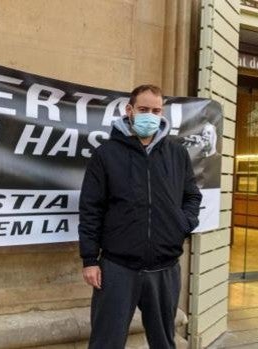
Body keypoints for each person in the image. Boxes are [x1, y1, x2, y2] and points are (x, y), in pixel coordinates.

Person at [78, 84, 202, 348]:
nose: (150, 116)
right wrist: (90, 259)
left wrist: (183, 224)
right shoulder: (106, 154)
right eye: (143, 109)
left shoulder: (177, 153)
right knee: (105, 342)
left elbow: (192, 196)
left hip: (165, 268)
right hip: (117, 268)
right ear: (129, 110)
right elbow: (91, 209)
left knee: (164, 342)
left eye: (156, 110)